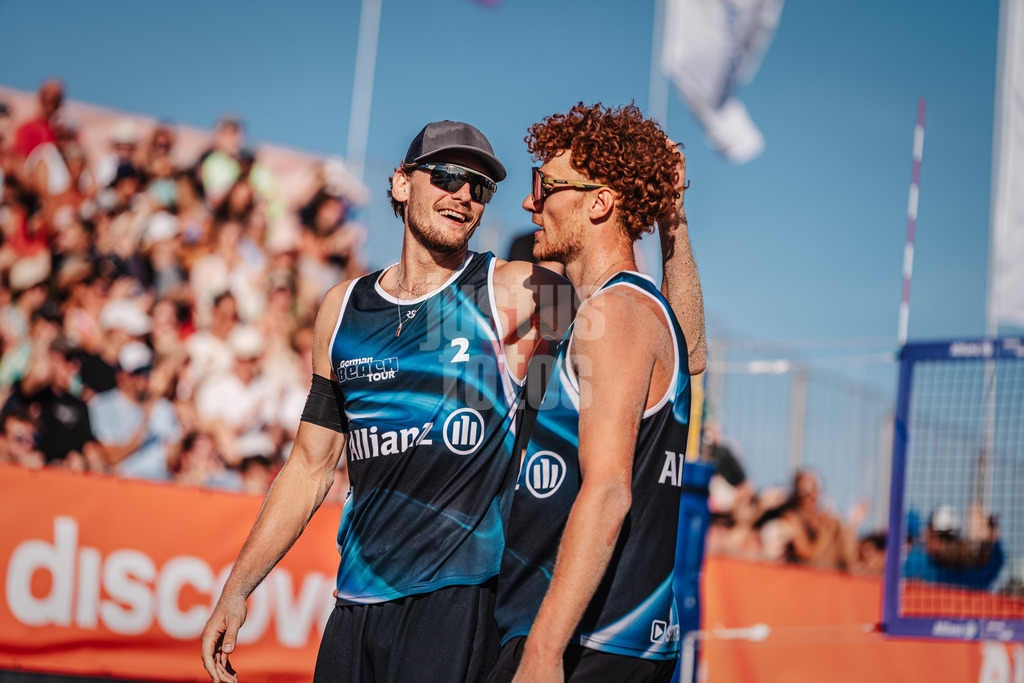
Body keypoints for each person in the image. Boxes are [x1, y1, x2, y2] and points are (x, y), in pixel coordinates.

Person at [201, 120, 581, 683]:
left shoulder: (511, 290)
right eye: (448, 176)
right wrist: (237, 587)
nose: (464, 196)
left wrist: (668, 229)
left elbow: (619, 304)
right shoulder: (342, 309)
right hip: (356, 600)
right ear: (401, 184)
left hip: (459, 600)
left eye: (480, 187)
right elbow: (309, 467)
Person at [490, 102, 705, 683]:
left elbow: (609, 491)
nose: (532, 201)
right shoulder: (592, 315)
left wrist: (543, 650)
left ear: (599, 202)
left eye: (546, 185)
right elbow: (692, 353)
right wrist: (673, 222)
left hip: (590, 642)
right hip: (564, 627)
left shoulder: (618, 313)